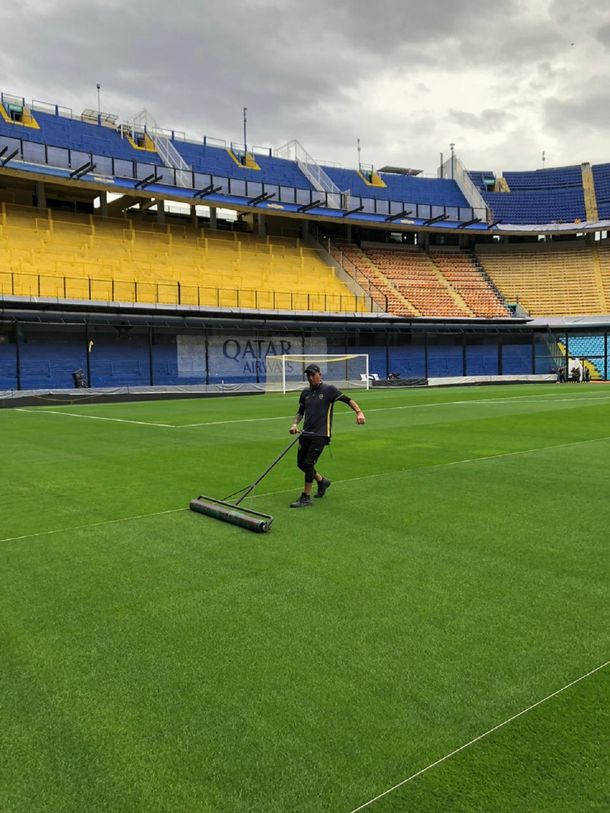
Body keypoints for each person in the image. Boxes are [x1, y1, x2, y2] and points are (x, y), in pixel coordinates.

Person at [288, 363, 366, 508]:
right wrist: (294, 424)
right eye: (308, 375)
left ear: (319, 375)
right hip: (305, 433)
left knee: (309, 463)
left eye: (313, 375)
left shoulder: (329, 390)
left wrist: (359, 412)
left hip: (321, 434)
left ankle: (306, 497)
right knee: (301, 464)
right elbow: (300, 412)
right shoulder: (305, 393)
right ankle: (322, 481)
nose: (310, 378)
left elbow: (348, 400)